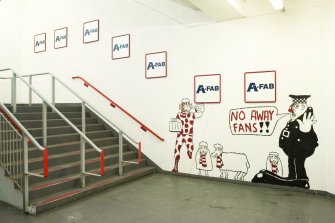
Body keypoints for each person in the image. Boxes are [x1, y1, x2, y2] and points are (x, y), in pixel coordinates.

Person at [279, 95, 318, 181]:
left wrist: (306, 131)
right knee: (291, 161)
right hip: (292, 148)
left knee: (298, 162)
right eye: (293, 106)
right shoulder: (294, 119)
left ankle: (301, 178)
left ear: (303, 107)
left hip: (300, 148)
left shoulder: (304, 121)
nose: (291, 109)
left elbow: (309, 136)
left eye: (295, 106)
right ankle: (292, 176)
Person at [169, 98, 205, 172]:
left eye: (187, 104)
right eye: (184, 104)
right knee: (177, 149)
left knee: (190, 146)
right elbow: (176, 122)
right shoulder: (179, 114)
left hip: (188, 134)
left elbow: (200, 114)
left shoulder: (192, 114)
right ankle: (176, 167)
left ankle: (189, 151)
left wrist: (200, 109)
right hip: (180, 134)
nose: (185, 106)